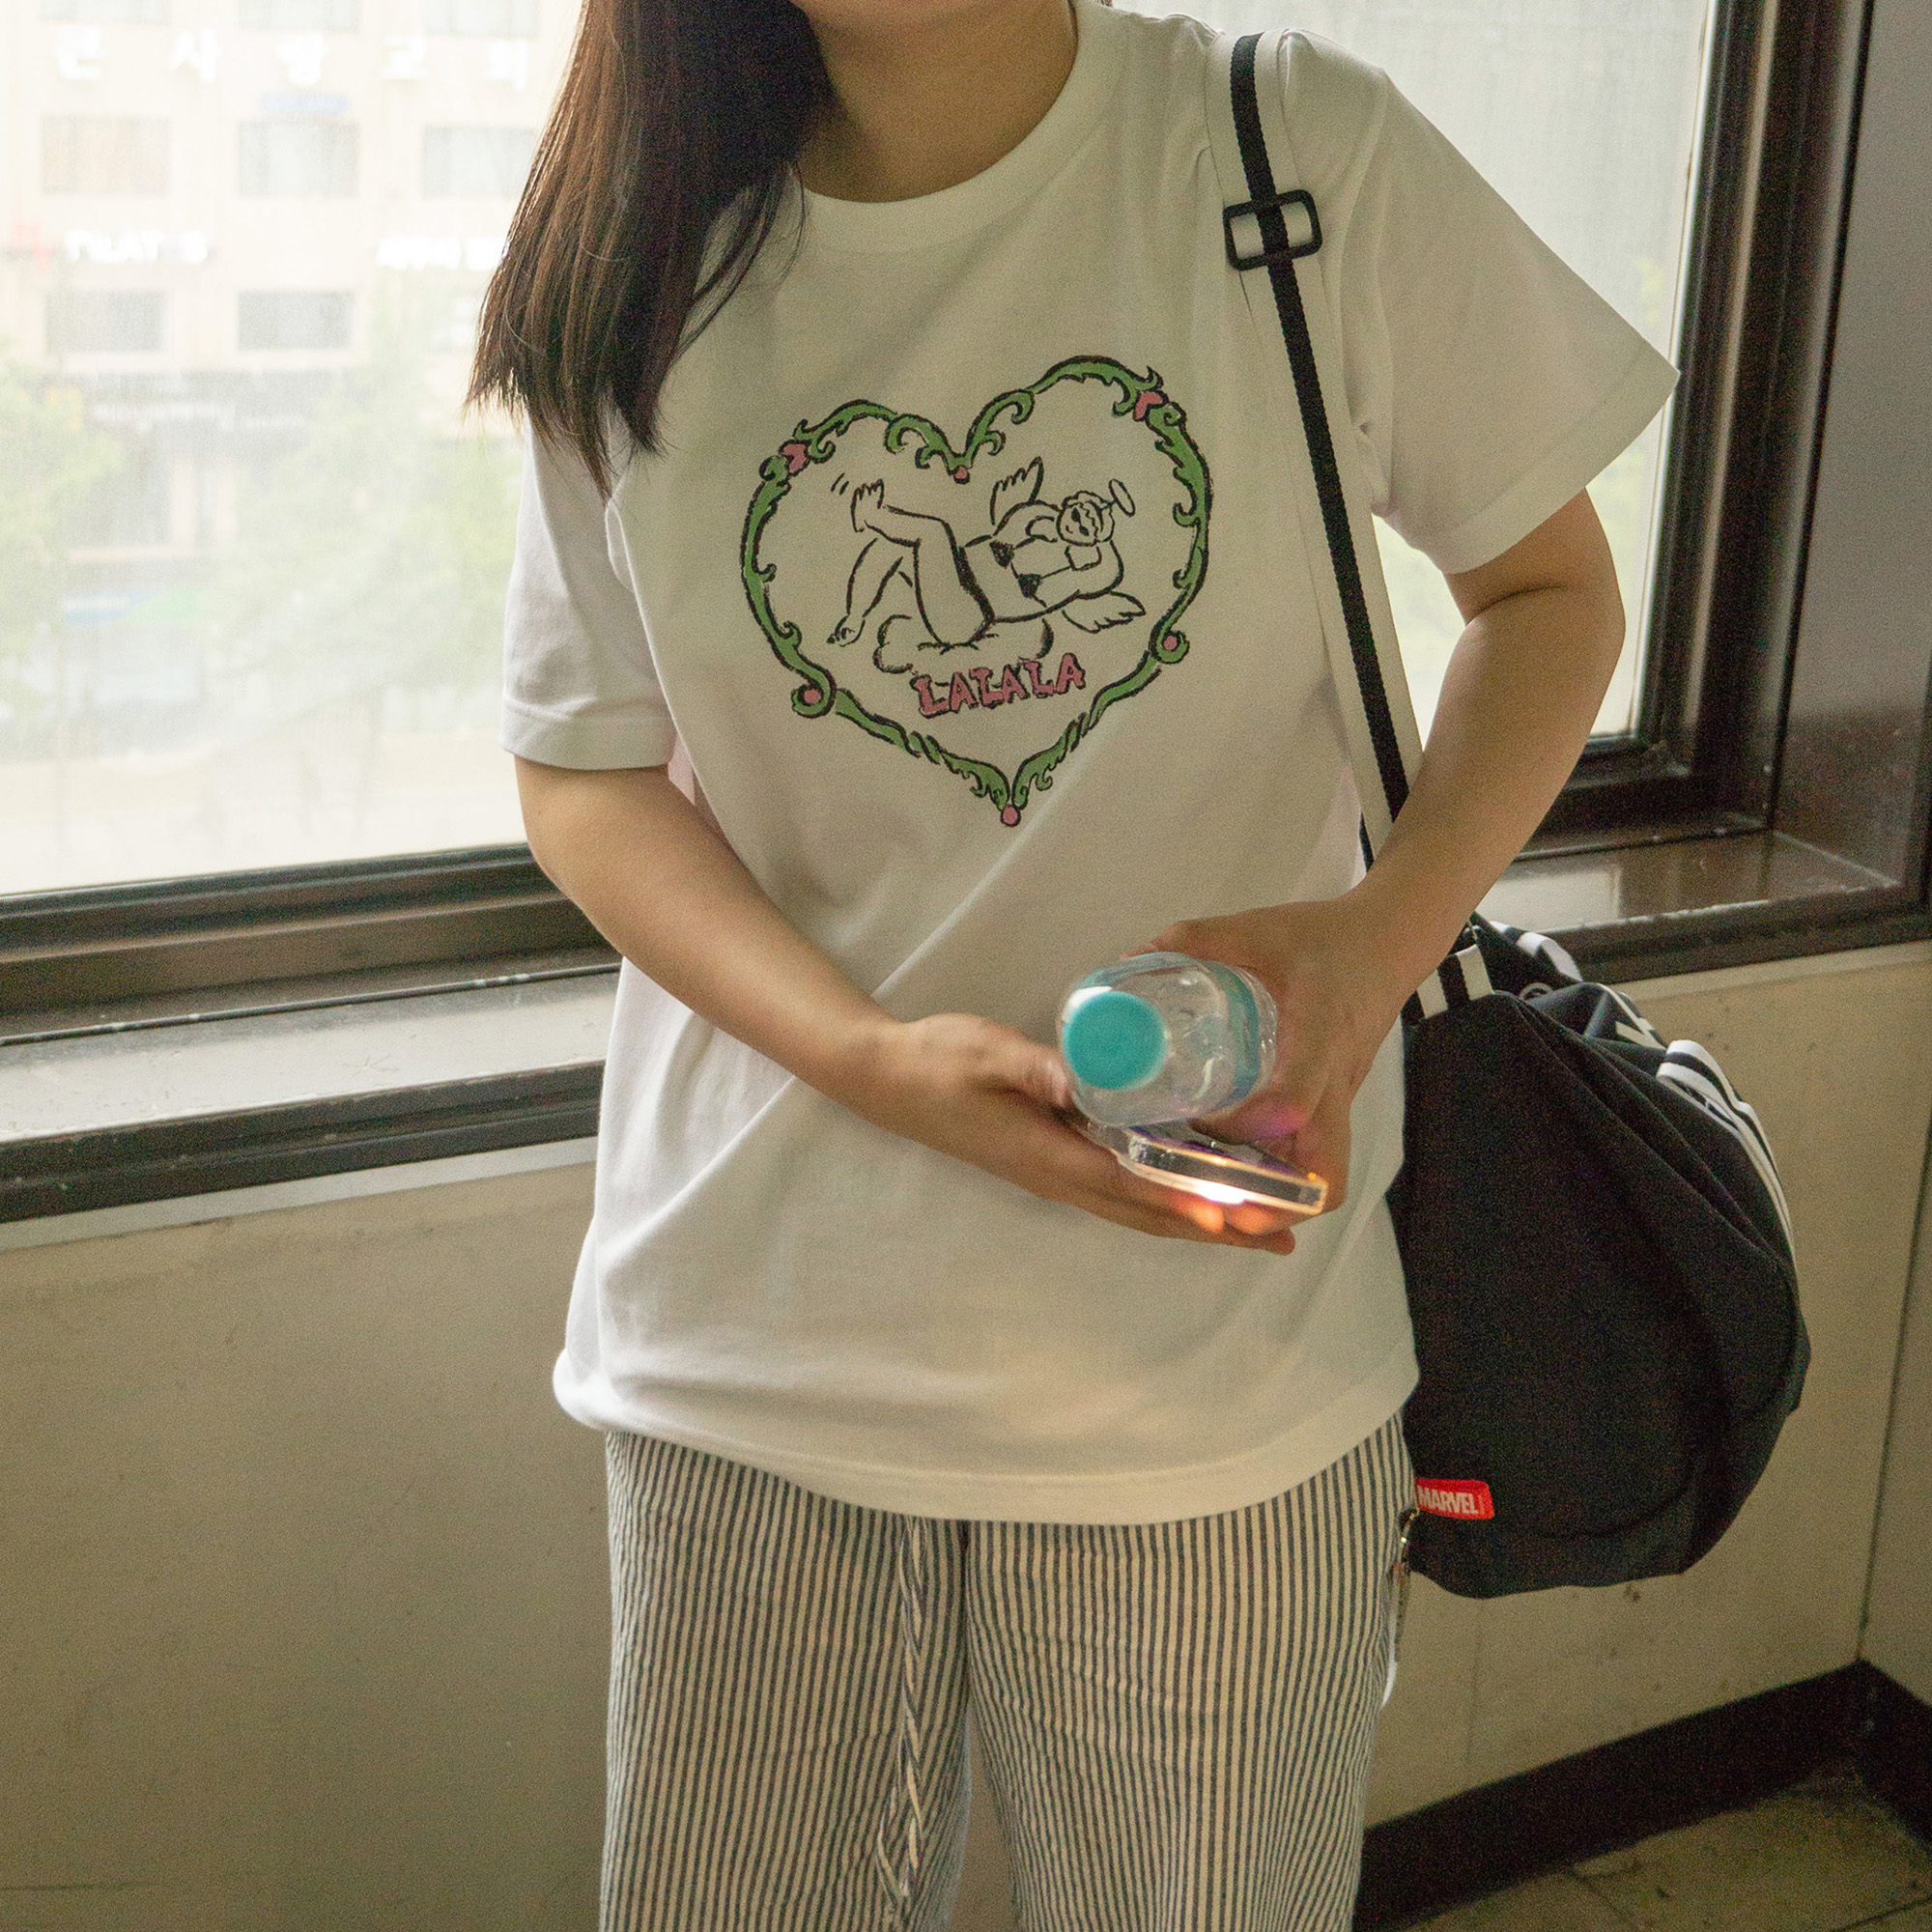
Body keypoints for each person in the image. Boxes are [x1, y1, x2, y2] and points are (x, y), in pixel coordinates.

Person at [470, 0, 1674, 1919]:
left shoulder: (1288, 154)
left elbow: (1545, 593)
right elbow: (585, 771)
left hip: (1217, 1353)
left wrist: (1378, 941)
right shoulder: (636, 251)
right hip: (756, 1346)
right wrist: (869, 1058)